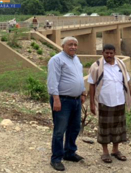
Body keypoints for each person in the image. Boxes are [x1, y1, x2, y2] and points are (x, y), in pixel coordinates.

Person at [88, 44, 131, 164]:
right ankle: (105, 152)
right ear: (102, 53)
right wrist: (92, 103)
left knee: (118, 127)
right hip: (104, 101)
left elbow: (126, 80)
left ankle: (115, 150)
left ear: (114, 53)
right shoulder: (96, 66)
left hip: (119, 100)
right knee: (104, 128)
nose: (109, 55)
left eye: (111, 53)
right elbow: (92, 85)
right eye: (106, 53)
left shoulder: (120, 64)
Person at [47, 36, 86, 171]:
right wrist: (56, 99)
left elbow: (79, 76)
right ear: (63, 46)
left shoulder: (76, 59)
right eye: (70, 44)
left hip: (75, 100)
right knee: (60, 130)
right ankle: (56, 158)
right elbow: (53, 81)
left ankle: (69, 152)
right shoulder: (56, 60)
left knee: (74, 127)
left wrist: (83, 92)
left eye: (75, 44)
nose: (73, 47)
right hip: (62, 100)